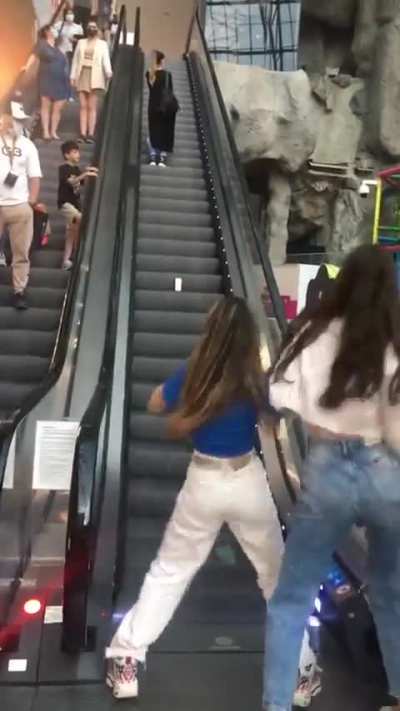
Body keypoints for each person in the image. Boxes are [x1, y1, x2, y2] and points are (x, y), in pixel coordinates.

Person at [105, 296, 317, 703]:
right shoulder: (254, 376)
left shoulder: (195, 371)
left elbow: (153, 403)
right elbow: (274, 425)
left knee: (170, 571)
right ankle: (301, 671)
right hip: (247, 481)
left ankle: (126, 659)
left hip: (203, 481)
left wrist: (192, 391)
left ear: (211, 330)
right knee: (276, 578)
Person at [263, 244, 400, 711]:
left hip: (326, 468)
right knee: (390, 592)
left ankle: (278, 704)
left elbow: (276, 396)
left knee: (292, 598)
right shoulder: (395, 338)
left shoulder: (310, 332)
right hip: (386, 471)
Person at [0, 114, 42, 310]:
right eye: (9, 119)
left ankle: (19, 290)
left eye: (16, 120)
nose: (11, 124)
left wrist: (31, 201)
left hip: (19, 204)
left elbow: (34, 175)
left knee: (21, 252)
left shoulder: (27, 145)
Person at [23, 25, 70, 141]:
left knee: (57, 108)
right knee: (46, 105)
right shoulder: (42, 44)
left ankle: (53, 131)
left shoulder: (58, 47)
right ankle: (46, 132)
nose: (55, 31)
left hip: (61, 80)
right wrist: (26, 66)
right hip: (47, 78)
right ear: (47, 31)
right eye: (52, 29)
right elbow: (33, 56)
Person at [70, 18, 112, 143]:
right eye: (90, 27)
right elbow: (75, 60)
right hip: (82, 73)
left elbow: (105, 59)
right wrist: (72, 76)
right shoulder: (81, 42)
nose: (92, 29)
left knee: (92, 106)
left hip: (96, 75)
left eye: (94, 27)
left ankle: (90, 133)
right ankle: (82, 133)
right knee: (83, 106)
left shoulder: (102, 44)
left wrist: (108, 71)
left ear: (97, 30)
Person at [58, 140, 98, 269]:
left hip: (75, 203)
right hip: (65, 203)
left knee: (71, 231)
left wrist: (89, 173)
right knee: (80, 219)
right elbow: (72, 182)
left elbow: (81, 184)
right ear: (66, 155)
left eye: (78, 151)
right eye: (74, 152)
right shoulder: (63, 168)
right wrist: (85, 174)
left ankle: (66, 261)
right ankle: (78, 250)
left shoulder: (76, 169)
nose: (78, 154)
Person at [146, 50, 177, 167]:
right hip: (165, 108)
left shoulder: (149, 74)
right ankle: (162, 159)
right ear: (162, 61)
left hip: (152, 106)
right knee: (164, 131)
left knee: (153, 131)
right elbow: (170, 92)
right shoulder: (167, 75)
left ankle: (153, 157)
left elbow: (151, 89)